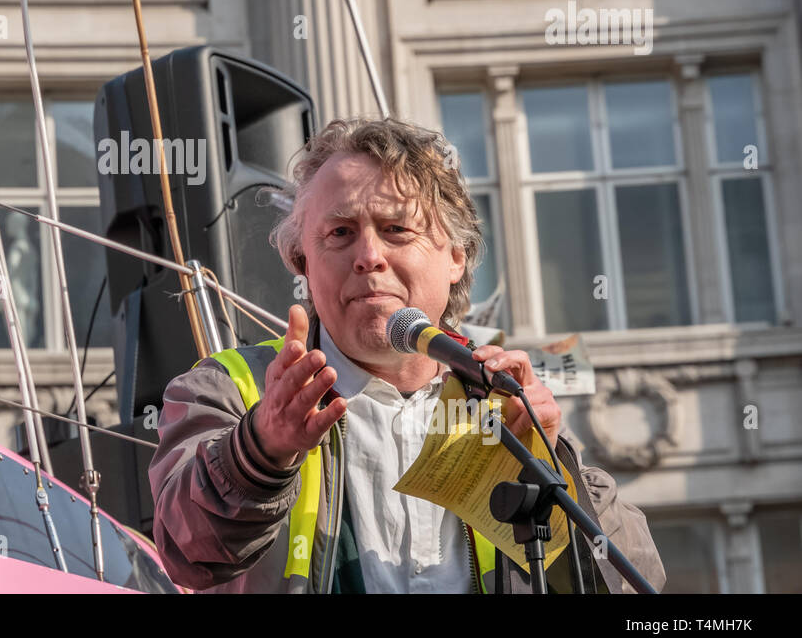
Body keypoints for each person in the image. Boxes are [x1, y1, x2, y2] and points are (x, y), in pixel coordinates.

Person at [148, 117, 667, 593]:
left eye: (397, 229)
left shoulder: (502, 397)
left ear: (457, 259)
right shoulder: (231, 387)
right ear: (303, 263)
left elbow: (630, 580)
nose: (369, 257)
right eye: (340, 233)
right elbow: (184, 553)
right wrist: (259, 450)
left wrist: (553, 466)